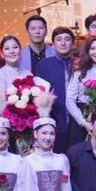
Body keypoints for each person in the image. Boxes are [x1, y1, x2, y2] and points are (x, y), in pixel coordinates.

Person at [34, 26, 78, 154]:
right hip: (54, 120)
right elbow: (38, 95)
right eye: (59, 39)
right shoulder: (43, 65)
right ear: (53, 43)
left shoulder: (80, 64)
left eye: (67, 39)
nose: (63, 43)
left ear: (73, 43)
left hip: (78, 122)